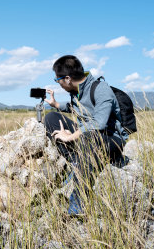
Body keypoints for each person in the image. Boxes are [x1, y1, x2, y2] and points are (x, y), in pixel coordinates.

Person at [44, 55, 129, 216]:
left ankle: (78, 202)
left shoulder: (101, 89)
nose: (59, 84)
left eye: (58, 80)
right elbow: (75, 107)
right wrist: (55, 105)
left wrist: (72, 136)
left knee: (89, 136)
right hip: (87, 137)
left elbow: (99, 123)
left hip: (111, 139)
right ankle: (74, 160)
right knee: (51, 118)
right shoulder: (76, 91)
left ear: (68, 79)